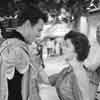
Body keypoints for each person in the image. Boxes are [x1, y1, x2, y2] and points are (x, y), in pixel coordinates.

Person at [0, 4, 49, 100]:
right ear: (27, 24)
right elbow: (15, 93)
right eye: (38, 30)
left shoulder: (10, 44)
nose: (39, 35)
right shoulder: (17, 49)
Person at [49, 31, 91, 100]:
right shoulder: (67, 70)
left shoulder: (79, 74)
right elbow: (47, 80)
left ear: (77, 49)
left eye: (67, 46)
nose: (63, 48)